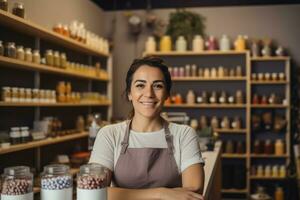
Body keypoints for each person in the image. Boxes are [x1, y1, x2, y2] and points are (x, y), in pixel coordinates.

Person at [90, 56, 205, 200]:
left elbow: (194, 191)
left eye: (157, 86)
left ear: (167, 94)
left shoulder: (184, 134)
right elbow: (94, 192)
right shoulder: (109, 134)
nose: (149, 94)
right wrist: (162, 193)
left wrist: (121, 194)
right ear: (129, 93)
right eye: (140, 85)